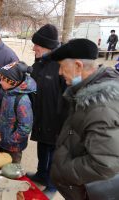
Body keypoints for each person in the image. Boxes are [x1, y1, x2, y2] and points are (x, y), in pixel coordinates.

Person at [48, 38, 119, 200]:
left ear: (78, 66)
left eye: (61, 67)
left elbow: (104, 163)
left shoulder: (101, 106)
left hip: (89, 192)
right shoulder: (87, 92)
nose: (59, 73)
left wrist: (63, 170)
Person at [27, 24, 68, 198]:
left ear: (47, 46)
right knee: (42, 146)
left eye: (37, 44)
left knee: (54, 153)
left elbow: (69, 94)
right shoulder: (39, 62)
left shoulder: (62, 64)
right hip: (41, 115)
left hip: (57, 118)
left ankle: (52, 185)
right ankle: (41, 173)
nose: (33, 47)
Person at [0, 61, 36, 163]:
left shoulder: (22, 101)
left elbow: (25, 127)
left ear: (13, 82)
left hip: (13, 147)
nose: (0, 82)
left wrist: (10, 140)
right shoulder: (9, 92)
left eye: (3, 80)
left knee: (10, 171)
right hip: (2, 140)